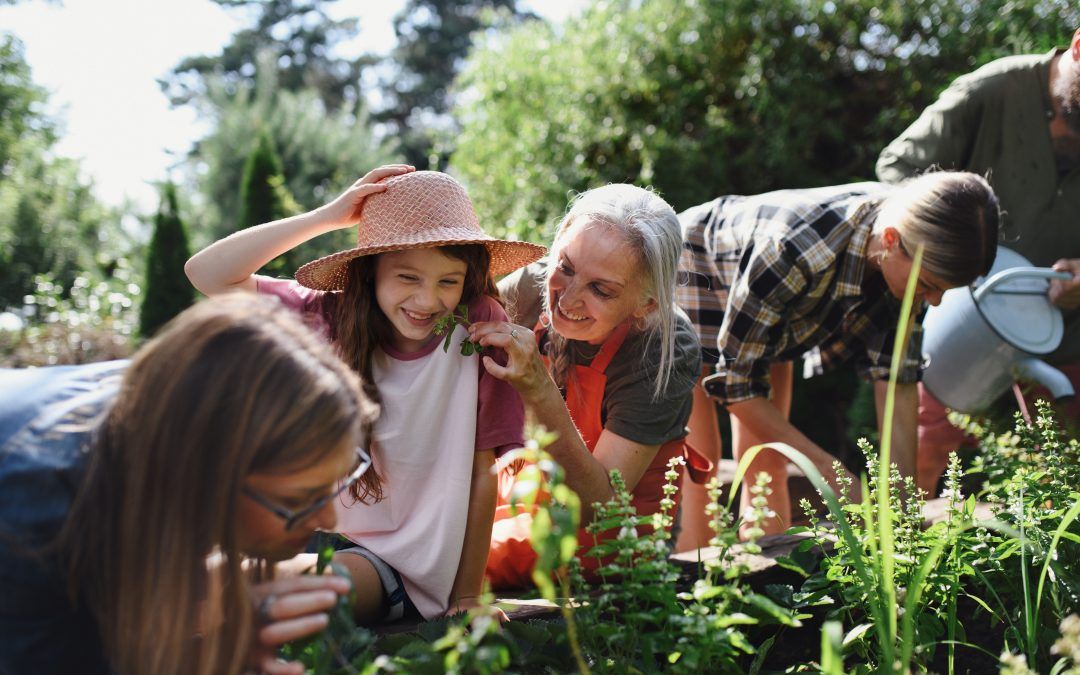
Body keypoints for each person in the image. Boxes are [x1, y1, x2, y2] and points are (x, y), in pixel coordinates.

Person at [186, 166, 546, 621]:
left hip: (398, 563)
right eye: (407, 277)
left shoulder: (478, 328)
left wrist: (468, 597)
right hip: (312, 530)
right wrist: (330, 216)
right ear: (370, 272)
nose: (427, 300)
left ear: (467, 278)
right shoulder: (332, 315)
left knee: (258, 591)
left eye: (447, 281)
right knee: (183, 574)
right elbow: (207, 274)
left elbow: (482, 472)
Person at [0, 294, 378, 675]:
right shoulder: (35, 520)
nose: (330, 520)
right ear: (209, 478)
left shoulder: (177, 405)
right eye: (298, 498)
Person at [673, 171, 1000, 545]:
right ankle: (693, 584)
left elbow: (897, 382)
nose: (935, 301)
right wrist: (833, 475)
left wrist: (904, 510)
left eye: (943, 290)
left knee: (768, 463)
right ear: (891, 241)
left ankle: (761, 582)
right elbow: (736, 390)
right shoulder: (796, 250)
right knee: (701, 464)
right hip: (698, 265)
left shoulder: (909, 248)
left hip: (775, 310)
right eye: (928, 286)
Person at [467, 183, 709, 589]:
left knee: (444, 559)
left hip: (608, 545)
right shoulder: (532, 288)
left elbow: (602, 509)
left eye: (601, 289)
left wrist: (538, 388)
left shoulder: (663, 348)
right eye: (565, 266)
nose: (568, 299)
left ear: (646, 303)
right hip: (517, 502)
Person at [877, 28, 1080, 493]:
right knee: (924, 452)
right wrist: (951, 265)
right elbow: (895, 175)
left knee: (1063, 472)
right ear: (1078, 46)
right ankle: (901, 560)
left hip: (1069, 328)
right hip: (960, 316)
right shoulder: (990, 92)